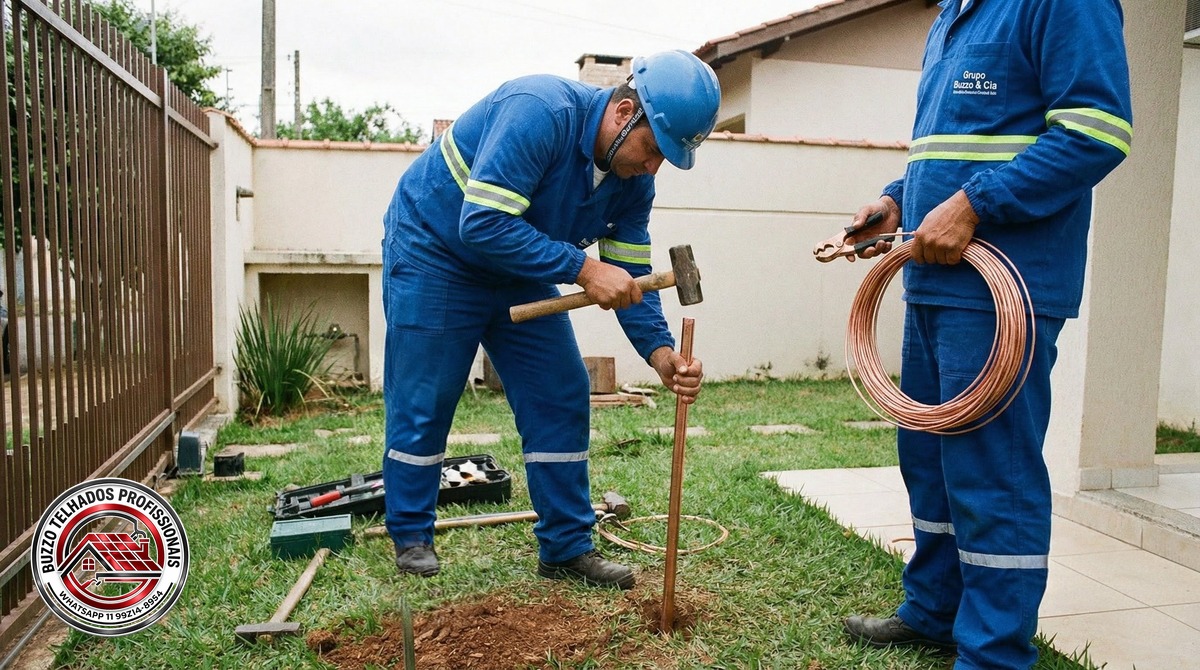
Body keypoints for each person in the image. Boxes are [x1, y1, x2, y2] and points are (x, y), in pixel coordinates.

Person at [840, 1, 1132, 668]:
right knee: (932, 461)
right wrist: (895, 201)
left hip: (1007, 284)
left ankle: (994, 651)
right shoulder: (955, 16)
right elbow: (953, 142)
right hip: (933, 278)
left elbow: (1098, 132)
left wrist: (977, 203)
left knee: (991, 474)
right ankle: (935, 610)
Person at [379, 50, 719, 589]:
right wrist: (584, 268)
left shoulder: (634, 184)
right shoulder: (537, 110)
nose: (653, 167)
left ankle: (565, 548)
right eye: (653, 149)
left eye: (666, 159)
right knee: (425, 395)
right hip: (436, 250)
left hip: (515, 261)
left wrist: (661, 354)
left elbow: (630, 274)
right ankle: (412, 532)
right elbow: (483, 222)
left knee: (560, 388)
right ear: (623, 110)